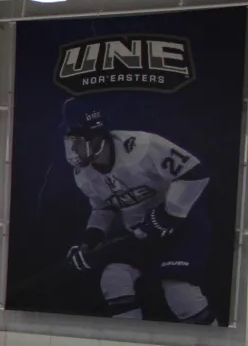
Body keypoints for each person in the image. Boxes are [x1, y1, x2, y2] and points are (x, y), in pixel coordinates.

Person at [61, 100, 215, 323]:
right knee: (114, 279)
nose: (73, 149)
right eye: (70, 141)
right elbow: (104, 207)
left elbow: (196, 172)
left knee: (180, 293)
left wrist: (169, 213)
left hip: (183, 226)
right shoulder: (83, 174)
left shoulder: (142, 146)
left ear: (98, 135)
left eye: (78, 141)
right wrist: (90, 238)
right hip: (140, 233)